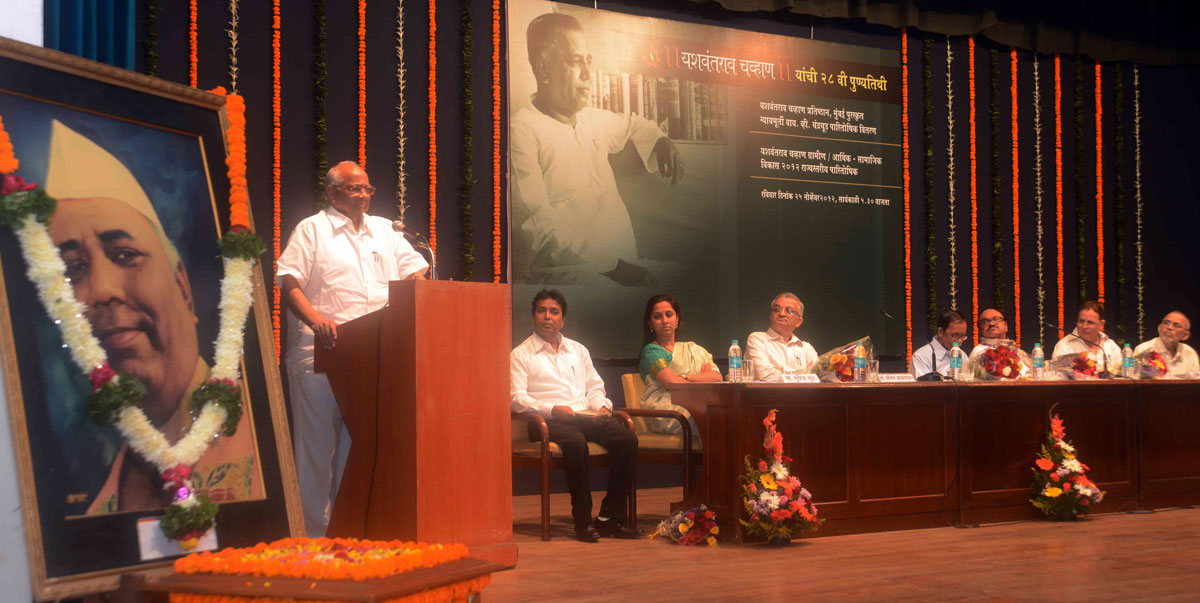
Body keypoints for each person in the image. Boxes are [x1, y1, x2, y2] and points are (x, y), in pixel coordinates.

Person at [44, 120, 261, 514]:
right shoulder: (97, 516)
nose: (101, 291)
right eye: (72, 269)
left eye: (125, 255)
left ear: (182, 287)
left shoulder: (263, 444)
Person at [276, 161, 428, 537]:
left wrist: (416, 285)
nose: (363, 196)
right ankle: (312, 541)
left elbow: (417, 271)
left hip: (373, 358)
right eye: (354, 189)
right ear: (332, 192)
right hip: (322, 355)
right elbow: (288, 279)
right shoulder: (312, 229)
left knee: (358, 453)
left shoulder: (384, 231)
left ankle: (347, 536)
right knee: (315, 453)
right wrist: (316, 320)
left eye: (367, 189)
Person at [509, 13, 683, 286]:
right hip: (568, 275)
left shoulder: (592, 118)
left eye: (588, 62)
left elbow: (635, 124)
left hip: (627, 266)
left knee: (686, 277)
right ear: (544, 70)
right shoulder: (521, 133)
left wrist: (660, 140)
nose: (589, 75)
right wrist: (615, 268)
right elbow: (538, 233)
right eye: (576, 62)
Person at [510, 289, 641, 542]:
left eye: (554, 312)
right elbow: (516, 399)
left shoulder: (578, 350)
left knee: (627, 440)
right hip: (546, 420)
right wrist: (552, 409)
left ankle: (608, 519)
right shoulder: (520, 354)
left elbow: (594, 386)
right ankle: (582, 522)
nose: (547, 316)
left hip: (584, 414)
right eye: (542, 311)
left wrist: (602, 407)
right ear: (533, 317)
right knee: (575, 442)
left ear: (563, 319)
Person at [637, 294, 722, 434]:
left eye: (669, 314)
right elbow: (672, 384)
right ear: (650, 323)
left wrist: (686, 377)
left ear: (677, 319)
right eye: (658, 317)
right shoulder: (651, 351)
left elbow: (717, 378)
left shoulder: (693, 349)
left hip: (694, 404)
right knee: (711, 416)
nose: (664, 320)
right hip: (667, 411)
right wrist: (702, 377)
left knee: (726, 414)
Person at [745, 292, 819, 381]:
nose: (781, 314)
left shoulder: (806, 347)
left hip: (804, 394)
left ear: (798, 321)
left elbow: (818, 375)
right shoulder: (757, 339)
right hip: (767, 394)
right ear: (771, 315)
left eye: (789, 311)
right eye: (777, 309)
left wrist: (782, 371)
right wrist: (803, 373)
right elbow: (764, 375)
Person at [1052, 301, 1122, 376]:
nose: (1084, 326)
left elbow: (1122, 374)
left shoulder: (1110, 345)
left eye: (1090, 322)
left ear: (1101, 324)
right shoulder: (1065, 345)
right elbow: (1056, 377)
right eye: (1081, 321)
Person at [1134, 311, 1199, 377]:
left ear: (1185, 335)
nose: (1169, 327)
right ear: (1159, 328)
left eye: (1176, 325)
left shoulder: (1190, 353)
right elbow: (1137, 383)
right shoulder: (1143, 350)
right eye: (1166, 323)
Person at [910, 310, 968, 379]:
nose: (960, 341)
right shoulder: (921, 357)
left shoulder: (962, 356)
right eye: (955, 336)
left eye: (962, 336)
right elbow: (922, 388)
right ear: (940, 332)